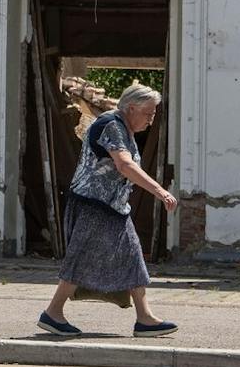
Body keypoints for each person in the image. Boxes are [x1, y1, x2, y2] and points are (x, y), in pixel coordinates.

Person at [38, 82, 179, 338]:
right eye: (149, 114)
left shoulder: (124, 129)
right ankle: (53, 313)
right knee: (81, 258)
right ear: (132, 108)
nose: (151, 120)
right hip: (94, 204)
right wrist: (160, 191)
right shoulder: (111, 125)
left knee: (133, 258)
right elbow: (124, 165)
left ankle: (145, 318)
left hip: (112, 207)